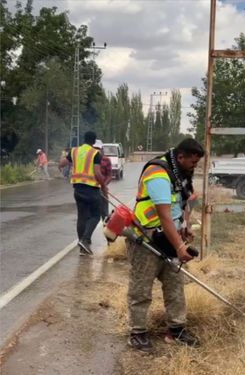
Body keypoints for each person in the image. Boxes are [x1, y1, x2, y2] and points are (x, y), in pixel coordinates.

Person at [126, 138, 204, 352]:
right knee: (141, 289)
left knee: (175, 286)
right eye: (192, 163)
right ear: (180, 157)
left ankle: (176, 330)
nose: (194, 167)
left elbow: (185, 202)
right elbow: (164, 216)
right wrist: (180, 247)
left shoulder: (182, 174)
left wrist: (185, 227)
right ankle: (138, 332)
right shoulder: (158, 173)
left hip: (169, 238)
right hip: (147, 240)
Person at [58, 131, 107, 255]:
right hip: (91, 189)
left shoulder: (74, 151)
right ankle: (85, 240)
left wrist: (59, 166)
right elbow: (97, 173)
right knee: (95, 216)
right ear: (94, 141)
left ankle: (82, 247)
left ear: (84, 139)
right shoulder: (96, 153)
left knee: (82, 217)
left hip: (78, 189)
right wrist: (104, 186)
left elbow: (62, 163)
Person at [93, 140, 112, 222]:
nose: (96, 150)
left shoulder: (106, 160)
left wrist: (103, 185)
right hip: (91, 189)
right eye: (95, 148)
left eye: (98, 148)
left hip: (102, 190)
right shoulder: (89, 159)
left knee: (105, 216)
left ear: (101, 149)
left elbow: (110, 176)